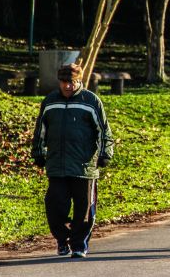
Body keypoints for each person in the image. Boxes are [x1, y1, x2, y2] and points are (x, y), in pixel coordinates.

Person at [32, 63, 114, 258]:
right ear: (59, 82)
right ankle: (62, 240)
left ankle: (78, 245)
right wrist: (37, 152)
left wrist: (105, 154)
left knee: (84, 209)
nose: (67, 86)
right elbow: (40, 131)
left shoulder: (91, 101)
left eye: (72, 82)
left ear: (79, 81)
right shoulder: (50, 101)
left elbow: (104, 131)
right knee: (54, 206)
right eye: (64, 82)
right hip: (57, 165)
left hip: (85, 166)